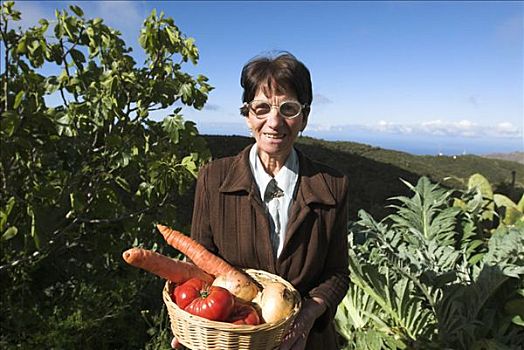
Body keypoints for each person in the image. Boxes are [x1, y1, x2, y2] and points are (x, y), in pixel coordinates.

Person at [179, 51, 350, 350]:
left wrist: (309, 314)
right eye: (261, 108)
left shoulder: (332, 186)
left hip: (307, 342)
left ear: (304, 118)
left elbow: (337, 273)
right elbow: (199, 264)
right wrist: (191, 318)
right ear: (247, 116)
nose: (274, 121)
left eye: (288, 108)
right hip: (232, 339)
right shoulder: (213, 178)